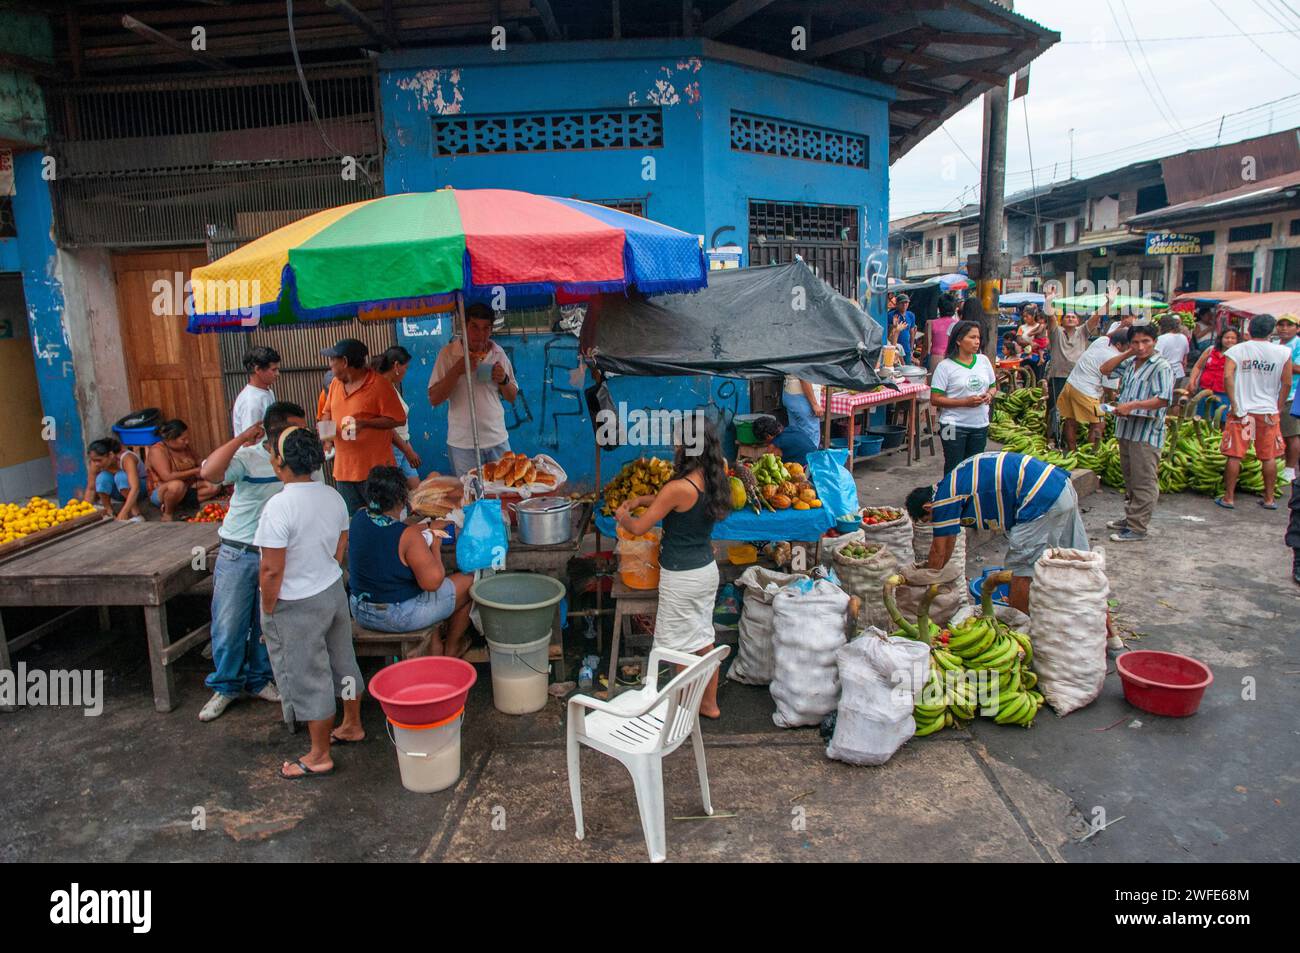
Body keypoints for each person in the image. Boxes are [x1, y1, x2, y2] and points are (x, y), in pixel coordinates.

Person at [255, 425, 363, 778]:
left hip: (296, 602)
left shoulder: (278, 506)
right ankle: (352, 724)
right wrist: (325, 565)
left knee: (310, 675)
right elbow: (341, 544)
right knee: (342, 659)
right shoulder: (332, 496)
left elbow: (271, 569)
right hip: (332, 590)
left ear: (281, 463)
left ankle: (319, 755)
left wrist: (268, 610)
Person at [194, 401, 311, 722]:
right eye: (295, 428)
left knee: (265, 623)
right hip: (238, 551)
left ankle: (260, 679)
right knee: (229, 623)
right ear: (274, 431)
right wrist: (241, 438)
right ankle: (226, 687)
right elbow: (209, 473)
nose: (301, 433)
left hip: (274, 553)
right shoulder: (247, 458)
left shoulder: (296, 461)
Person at [614, 419, 730, 719]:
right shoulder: (715, 475)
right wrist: (644, 498)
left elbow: (639, 527)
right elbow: (677, 501)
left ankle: (681, 709)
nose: (674, 447)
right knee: (703, 640)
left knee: (676, 646)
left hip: (681, 578)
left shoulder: (678, 487)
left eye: (678, 442)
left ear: (686, 446)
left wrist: (623, 516)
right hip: (705, 571)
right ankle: (709, 705)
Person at [906, 451, 1088, 614]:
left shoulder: (943, 500)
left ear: (927, 507)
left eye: (929, 520)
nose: (934, 523)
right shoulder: (951, 484)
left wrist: (926, 584)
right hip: (1060, 486)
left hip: (1039, 498)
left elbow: (938, 550)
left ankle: (1018, 627)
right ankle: (1110, 636)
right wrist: (939, 572)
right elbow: (948, 542)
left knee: (1019, 569)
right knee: (1080, 561)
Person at [347, 466, 476, 657]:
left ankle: (434, 644)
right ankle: (451, 648)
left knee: (412, 579)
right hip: (395, 616)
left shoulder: (359, 517)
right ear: (401, 498)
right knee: (470, 581)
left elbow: (387, 531)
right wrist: (435, 545)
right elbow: (433, 582)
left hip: (360, 610)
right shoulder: (408, 536)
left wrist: (423, 526)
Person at [1099, 324, 1175, 542]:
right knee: (1130, 478)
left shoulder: (1161, 366)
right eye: (1136, 342)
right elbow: (1105, 369)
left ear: (1155, 342)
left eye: (1146, 342)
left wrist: (1132, 406)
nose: (1141, 347)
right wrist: (1129, 353)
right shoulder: (1132, 364)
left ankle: (1138, 527)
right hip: (1127, 430)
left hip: (1146, 433)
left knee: (1143, 481)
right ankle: (1131, 517)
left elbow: (1163, 399)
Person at [428, 304, 519, 476]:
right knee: (470, 497)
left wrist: (503, 380)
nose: (480, 334)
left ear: (491, 330)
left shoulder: (498, 353)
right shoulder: (448, 354)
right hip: (463, 445)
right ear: (464, 327)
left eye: (486, 328)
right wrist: (457, 370)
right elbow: (434, 398)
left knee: (503, 494)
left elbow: (512, 396)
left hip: (497, 440)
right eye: (474, 327)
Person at [319, 338, 407, 514]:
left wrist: (366, 423)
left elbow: (398, 419)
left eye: (332, 360)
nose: (330, 365)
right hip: (344, 470)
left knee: (380, 518)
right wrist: (327, 439)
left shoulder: (379, 385)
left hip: (374, 473)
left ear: (345, 362)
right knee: (353, 519)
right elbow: (326, 412)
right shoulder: (336, 384)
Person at [1218, 313, 1293, 510]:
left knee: (1235, 454)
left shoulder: (1237, 350)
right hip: (1268, 411)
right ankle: (1269, 499)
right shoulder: (1282, 352)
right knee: (1268, 456)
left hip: (1242, 411)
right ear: (1271, 331)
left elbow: (1227, 377)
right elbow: (1287, 382)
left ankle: (1229, 497)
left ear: (1249, 330)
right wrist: (1278, 405)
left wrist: (1234, 404)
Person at [930, 319, 997, 474]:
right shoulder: (945, 366)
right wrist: (965, 402)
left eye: (978, 338)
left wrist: (989, 395)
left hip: (980, 425)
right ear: (959, 340)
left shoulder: (983, 361)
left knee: (974, 470)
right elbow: (935, 399)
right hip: (951, 425)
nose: (977, 342)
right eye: (972, 337)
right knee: (953, 467)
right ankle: (950, 497)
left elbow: (993, 387)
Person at [1057, 328, 1129, 452]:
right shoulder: (1114, 358)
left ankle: (1071, 451)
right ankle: (1092, 455)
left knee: (1071, 420)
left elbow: (1109, 335)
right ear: (1119, 345)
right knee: (1098, 423)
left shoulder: (1102, 340)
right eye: (1129, 345)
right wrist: (1114, 398)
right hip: (1086, 391)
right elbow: (1108, 389)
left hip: (1070, 384)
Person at [145, 419, 221, 521]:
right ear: (170, 440)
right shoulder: (157, 450)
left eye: (187, 438)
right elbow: (166, 476)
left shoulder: (185, 447)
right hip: (163, 490)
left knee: (214, 486)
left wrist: (210, 466)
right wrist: (195, 471)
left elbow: (199, 461)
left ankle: (176, 504)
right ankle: (168, 513)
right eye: (183, 439)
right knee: (176, 485)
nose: (187, 442)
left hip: (187, 487)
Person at [372, 345, 422, 490]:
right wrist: (407, 450)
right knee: (395, 492)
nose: (406, 372)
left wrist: (407, 446)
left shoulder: (390, 387)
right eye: (405, 367)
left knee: (416, 491)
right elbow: (388, 427)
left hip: (403, 445)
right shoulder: (380, 388)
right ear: (396, 366)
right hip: (393, 448)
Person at [1045, 310, 1097, 417]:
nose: (1070, 318)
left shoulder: (1082, 332)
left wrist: (1108, 303)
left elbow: (1095, 318)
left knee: (1074, 410)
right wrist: (1049, 302)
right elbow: (1050, 318)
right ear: (1062, 321)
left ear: (1078, 321)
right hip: (1059, 376)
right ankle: (1053, 432)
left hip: (1077, 378)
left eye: (1073, 317)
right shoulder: (1056, 332)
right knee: (1055, 408)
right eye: (1067, 317)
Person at [81, 437, 146, 521]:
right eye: (93, 460)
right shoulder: (95, 464)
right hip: (118, 492)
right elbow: (91, 489)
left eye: (99, 460)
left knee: (120, 476)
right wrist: (85, 512)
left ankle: (136, 513)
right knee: (102, 478)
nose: (96, 464)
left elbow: (135, 488)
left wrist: (123, 513)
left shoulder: (127, 458)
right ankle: (109, 511)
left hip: (141, 490)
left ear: (111, 455)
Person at [231, 346, 280, 436]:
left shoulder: (267, 392)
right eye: (273, 370)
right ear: (257, 369)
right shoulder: (251, 402)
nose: (277, 374)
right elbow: (251, 440)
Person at [1187, 327, 1239, 410]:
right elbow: (1197, 367)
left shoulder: (1238, 355)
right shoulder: (1211, 350)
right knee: (1201, 419)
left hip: (1225, 394)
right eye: (1226, 337)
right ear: (1221, 338)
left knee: (1222, 420)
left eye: (1233, 338)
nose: (1229, 340)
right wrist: (1192, 381)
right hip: (1204, 392)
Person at [1275, 314, 1300, 484]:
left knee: (1291, 433)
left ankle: (1290, 469)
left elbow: (1298, 368)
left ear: (1297, 328)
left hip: (1292, 394)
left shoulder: (1298, 345)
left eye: (1289, 325)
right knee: (1278, 433)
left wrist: (1280, 362)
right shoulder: (1275, 344)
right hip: (1273, 393)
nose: (1284, 328)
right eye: (1281, 325)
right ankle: (1280, 464)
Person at [751, 414, 817, 467]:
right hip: (820, 462)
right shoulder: (793, 429)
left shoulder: (774, 446)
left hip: (809, 472)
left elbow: (764, 464)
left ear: (768, 436)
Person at [781, 376, 824, 449]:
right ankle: (808, 459)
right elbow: (804, 377)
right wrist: (814, 404)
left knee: (795, 434)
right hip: (802, 397)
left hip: (789, 392)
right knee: (810, 438)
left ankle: (796, 459)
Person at [926, 293, 960, 373]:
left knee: (934, 384)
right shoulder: (958, 324)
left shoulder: (930, 323)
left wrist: (922, 362)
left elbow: (926, 346)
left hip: (936, 358)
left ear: (939, 308)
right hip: (954, 358)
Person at [1155, 314, 1191, 390]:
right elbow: (1185, 358)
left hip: (1164, 373)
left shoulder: (1161, 339)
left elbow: (1156, 356)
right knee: (1175, 397)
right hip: (1179, 373)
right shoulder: (1183, 337)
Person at [889, 293, 917, 365]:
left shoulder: (910, 315)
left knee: (907, 368)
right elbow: (889, 333)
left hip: (906, 349)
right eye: (902, 303)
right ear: (897, 304)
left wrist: (911, 349)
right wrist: (894, 326)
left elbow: (912, 333)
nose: (905, 305)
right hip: (895, 348)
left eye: (906, 302)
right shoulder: (891, 315)